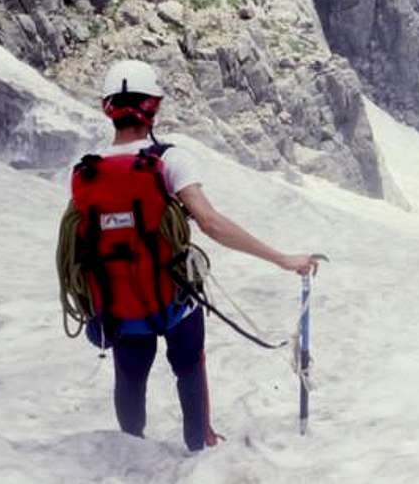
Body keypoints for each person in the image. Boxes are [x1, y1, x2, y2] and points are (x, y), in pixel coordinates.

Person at [71, 59, 320, 452]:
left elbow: (80, 242)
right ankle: (200, 447)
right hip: (172, 299)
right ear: (153, 107)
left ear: (108, 108)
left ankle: (129, 457)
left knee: (129, 379)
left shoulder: (85, 170)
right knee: (189, 369)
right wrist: (282, 258)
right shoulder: (169, 160)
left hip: (118, 306)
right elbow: (210, 223)